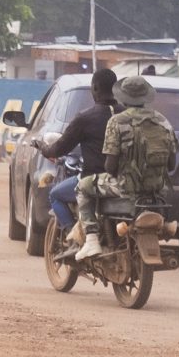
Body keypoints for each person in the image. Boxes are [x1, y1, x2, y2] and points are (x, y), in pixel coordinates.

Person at [75, 75, 176, 260]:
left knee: (83, 187)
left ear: (123, 97)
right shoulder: (163, 121)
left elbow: (110, 166)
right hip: (157, 191)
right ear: (146, 97)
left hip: (125, 188)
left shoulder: (117, 121)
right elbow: (172, 164)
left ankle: (91, 240)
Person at [38, 68, 117, 243]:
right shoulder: (126, 116)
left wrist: (44, 148)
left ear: (95, 89)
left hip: (93, 180)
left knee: (55, 195)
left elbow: (59, 148)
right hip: (124, 183)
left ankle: (73, 237)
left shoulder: (86, 118)